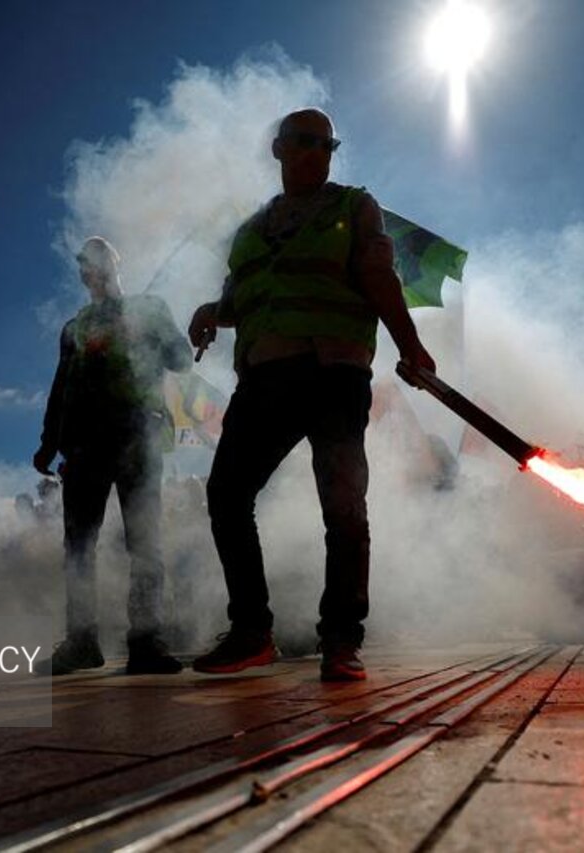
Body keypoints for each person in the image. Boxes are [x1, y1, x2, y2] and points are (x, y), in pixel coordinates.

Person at [187, 108, 436, 681]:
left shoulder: (352, 206)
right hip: (264, 378)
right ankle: (251, 632)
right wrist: (209, 313)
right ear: (278, 149)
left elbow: (378, 275)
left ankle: (342, 642)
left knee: (343, 505)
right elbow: (240, 297)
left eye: (327, 144)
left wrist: (410, 346)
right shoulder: (250, 231)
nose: (318, 153)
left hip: (334, 370)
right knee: (226, 495)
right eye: (305, 142)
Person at [34, 237, 192, 675]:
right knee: (78, 545)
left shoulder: (150, 308)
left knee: (144, 539)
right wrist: (49, 440)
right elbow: (61, 385)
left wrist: (158, 338)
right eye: (85, 262)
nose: (93, 268)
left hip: (137, 434)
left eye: (100, 257)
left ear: (117, 263)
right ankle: (82, 640)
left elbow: (182, 359)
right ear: (82, 274)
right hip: (84, 445)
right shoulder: (74, 327)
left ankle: (146, 641)